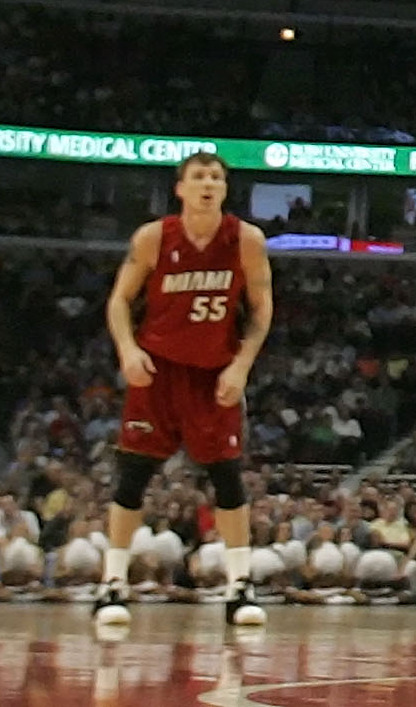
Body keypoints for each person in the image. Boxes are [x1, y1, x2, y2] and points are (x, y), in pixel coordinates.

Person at [97, 150, 272, 628]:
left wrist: (241, 367)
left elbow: (260, 310)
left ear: (224, 189)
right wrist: (128, 351)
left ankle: (240, 586)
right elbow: (119, 301)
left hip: (214, 373)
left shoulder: (246, 240)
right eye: (199, 176)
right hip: (158, 372)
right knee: (132, 475)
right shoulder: (154, 237)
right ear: (181, 189)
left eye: (216, 177)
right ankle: (112, 585)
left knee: (228, 479)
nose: (208, 183)